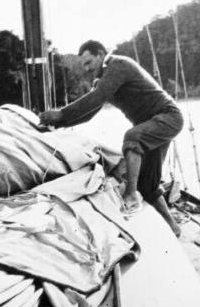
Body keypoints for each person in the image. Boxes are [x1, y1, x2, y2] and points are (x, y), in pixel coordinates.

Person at [39, 40, 184, 237]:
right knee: (148, 185)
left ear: (101, 55)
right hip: (152, 124)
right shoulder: (104, 81)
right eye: (84, 66)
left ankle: (131, 195)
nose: (88, 69)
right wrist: (57, 124)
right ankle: (173, 227)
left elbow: (96, 98)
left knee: (133, 138)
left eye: (89, 62)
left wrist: (60, 113)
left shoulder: (118, 65)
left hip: (168, 116)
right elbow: (90, 112)